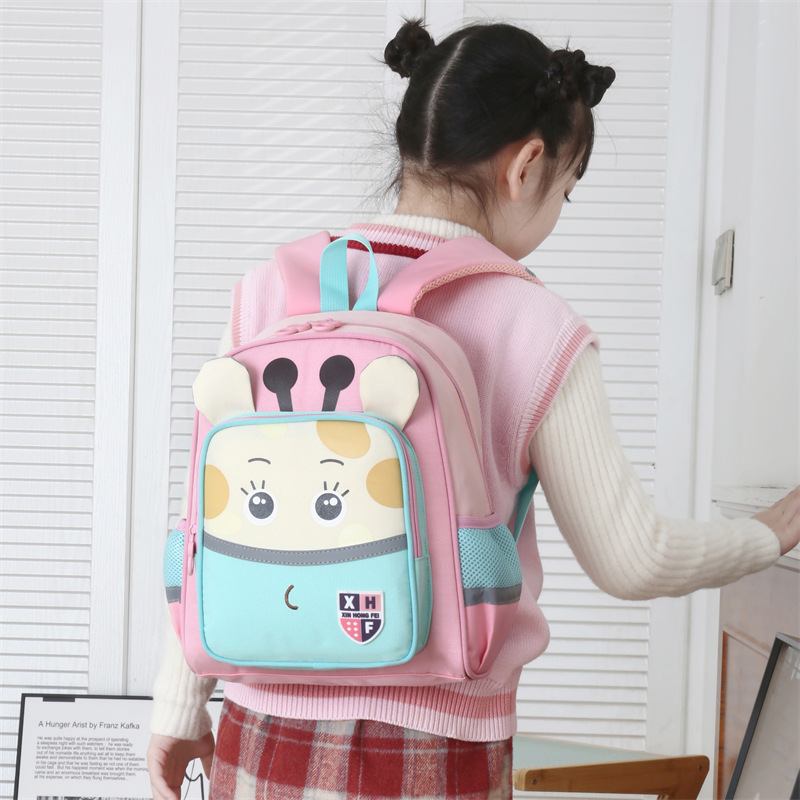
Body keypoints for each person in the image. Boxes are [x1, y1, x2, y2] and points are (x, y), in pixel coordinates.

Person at [147, 18, 800, 800]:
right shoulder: (536, 323)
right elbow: (634, 559)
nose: (558, 208)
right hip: (437, 745)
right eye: (566, 188)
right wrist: (769, 533)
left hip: (261, 730)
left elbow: (210, 530)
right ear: (527, 166)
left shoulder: (268, 294)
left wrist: (177, 707)